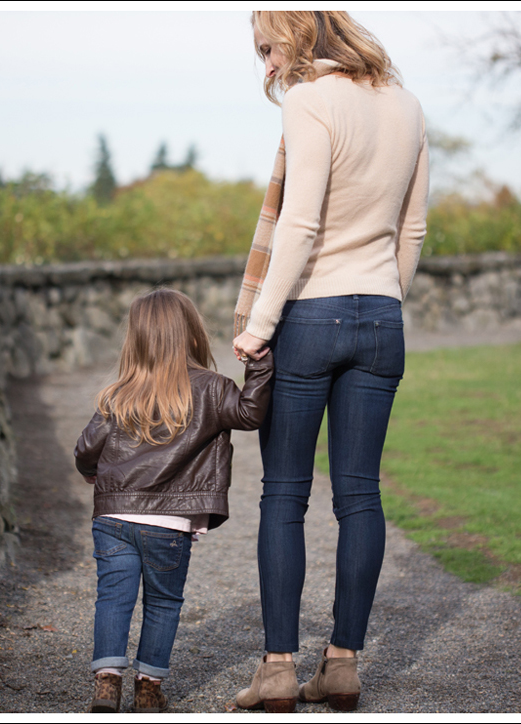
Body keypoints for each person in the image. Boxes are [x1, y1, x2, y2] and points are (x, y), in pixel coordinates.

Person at [231, 11, 429, 713]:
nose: (266, 68)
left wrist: (259, 326)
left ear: (300, 34)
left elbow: (303, 223)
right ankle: (342, 664)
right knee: (360, 496)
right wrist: (381, 301)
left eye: (268, 48)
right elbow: (412, 228)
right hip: (382, 317)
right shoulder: (407, 105)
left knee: (284, 493)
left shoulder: (311, 101)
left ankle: (279, 669)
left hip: (310, 316)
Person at [75, 288, 273, 713]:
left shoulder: (118, 393)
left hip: (113, 518)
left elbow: (86, 449)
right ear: (191, 333)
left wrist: (94, 473)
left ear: (137, 338)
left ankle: (106, 683)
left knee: (113, 598)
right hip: (169, 524)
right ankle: (149, 688)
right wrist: (259, 363)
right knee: (163, 603)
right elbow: (250, 414)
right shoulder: (213, 389)